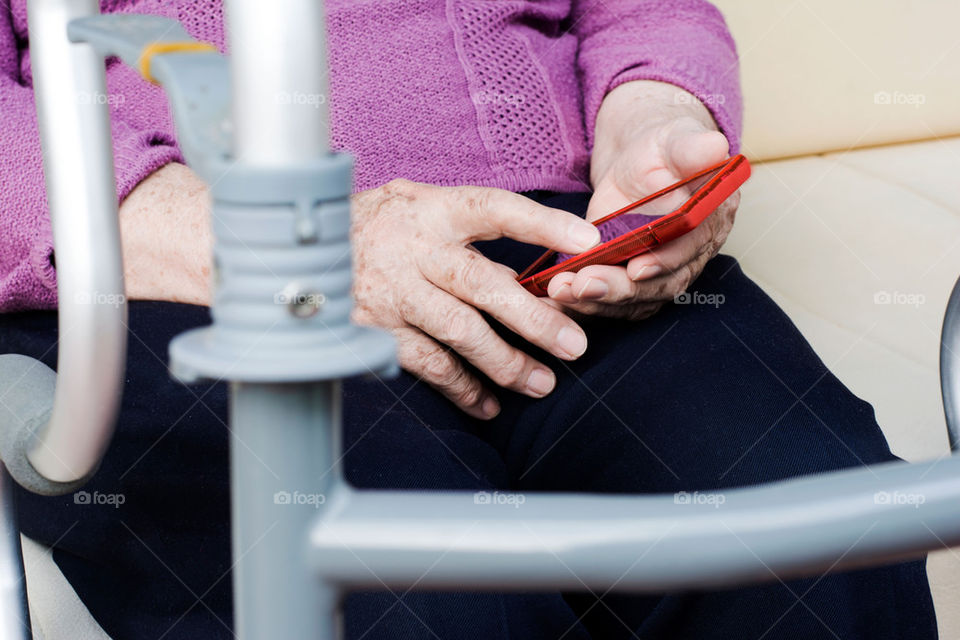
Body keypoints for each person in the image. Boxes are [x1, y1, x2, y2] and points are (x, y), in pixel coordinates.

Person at [0, 1, 938, 638]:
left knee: (819, 541)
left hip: (548, 247)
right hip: (173, 276)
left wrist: (652, 127)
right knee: (417, 598)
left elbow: (639, 11)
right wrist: (264, 242)